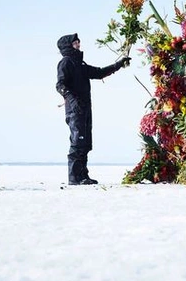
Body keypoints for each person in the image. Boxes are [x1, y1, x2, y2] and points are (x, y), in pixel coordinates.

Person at [56, 33, 130, 185]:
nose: (78, 45)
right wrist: (71, 99)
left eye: (78, 42)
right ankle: (74, 177)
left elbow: (98, 72)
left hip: (85, 108)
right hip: (75, 110)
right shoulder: (66, 63)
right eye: (75, 43)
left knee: (85, 143)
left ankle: (83, 175)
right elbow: (60, 85)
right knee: (77, 141)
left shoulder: (80, 64)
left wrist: (119, 65)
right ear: (68, 46)